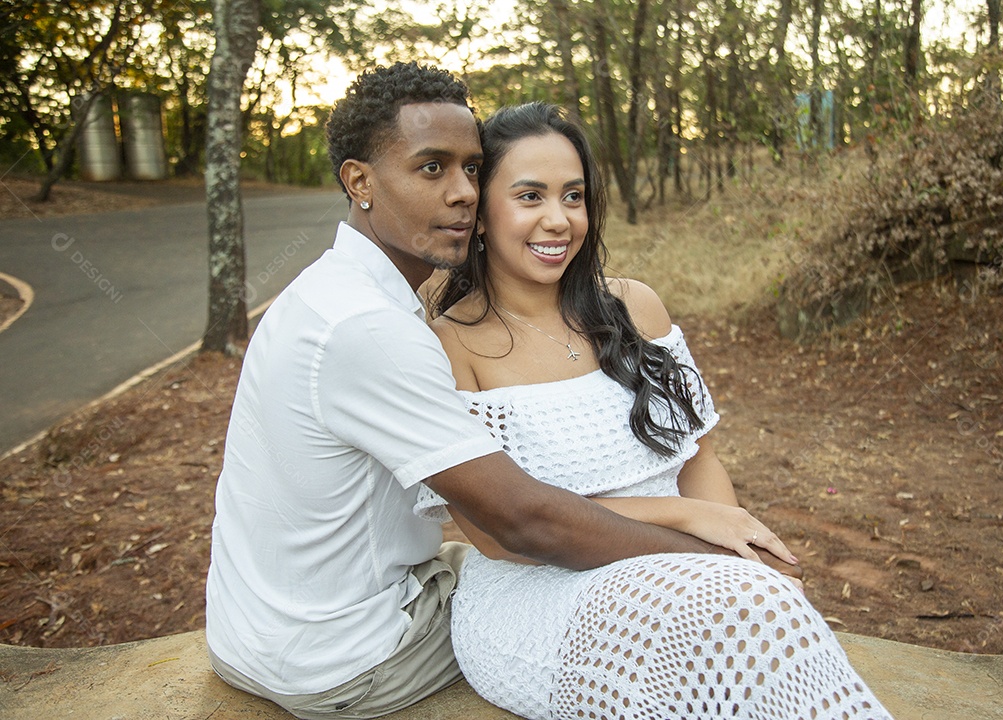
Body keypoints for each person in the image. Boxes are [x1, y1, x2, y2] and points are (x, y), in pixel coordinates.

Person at [205, 63, 801, 720]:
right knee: (574, 613)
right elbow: (521, 524)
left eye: (469, 169)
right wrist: (715, 556)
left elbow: (686, 458)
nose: (460, 191)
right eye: (432, 168)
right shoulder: (377, 331)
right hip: (352, 655)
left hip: (261, 625)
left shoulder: (331, 293)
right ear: (359, 180)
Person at [420, 102, 894, 720]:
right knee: (739, 628)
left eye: (574, 196)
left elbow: (697, 458)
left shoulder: (636, 308)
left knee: (762, 617)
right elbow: (497, 535)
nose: (558, 220)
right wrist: (691, 523)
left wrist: (739, 545)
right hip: (539, 597)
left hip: (683, 565)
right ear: (481, 215)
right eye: (529, 196)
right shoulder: (453, 345)